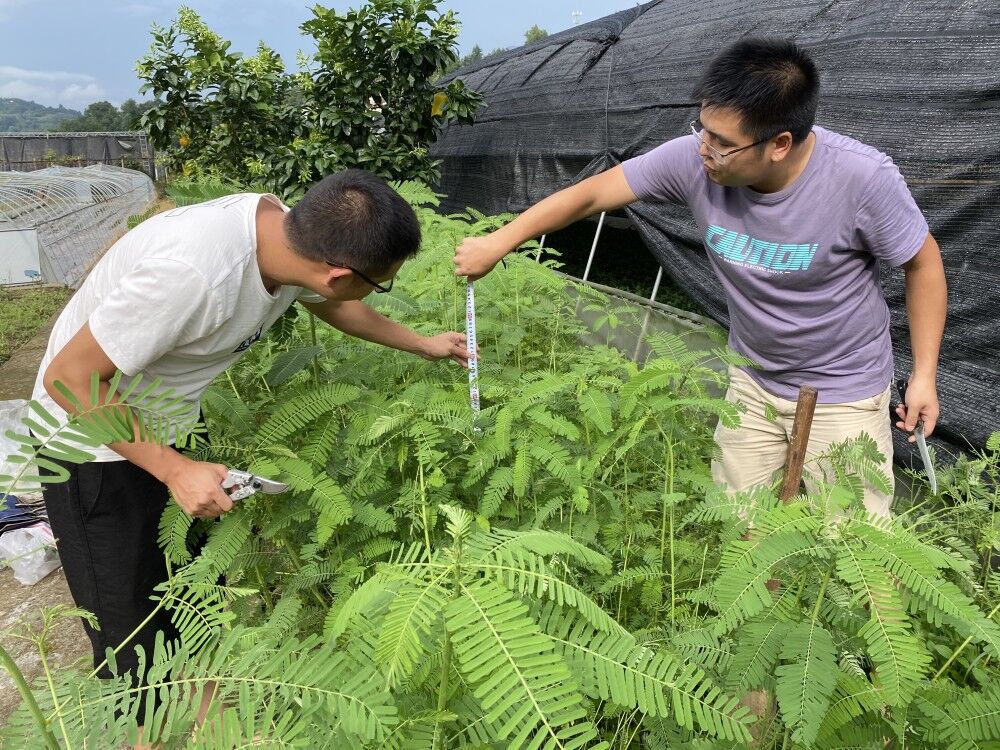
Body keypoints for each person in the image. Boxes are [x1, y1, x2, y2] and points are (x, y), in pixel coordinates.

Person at [32, 168, 470, 742]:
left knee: (190, 605)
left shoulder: (283, 233)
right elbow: (70, 378)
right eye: (379, 283)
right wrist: (173, 468)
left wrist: (423, 343)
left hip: (161, 427)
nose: (375, 291)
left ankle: (224, 733)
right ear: (339, 272)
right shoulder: (193, 275)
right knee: (132, 647)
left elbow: (332, 304)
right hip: (92, 449)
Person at [453, 37, 947, 516]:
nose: (705, 150)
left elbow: (922, 264)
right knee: (738, 527)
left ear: (779, 144)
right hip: (753, 380)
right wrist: (500, 241)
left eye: (723, 143)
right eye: (702, 130)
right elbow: (590, 195)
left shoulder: (862, 179)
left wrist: (924, 375)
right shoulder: (695, 159)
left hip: (844, 390)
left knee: (853, 551)